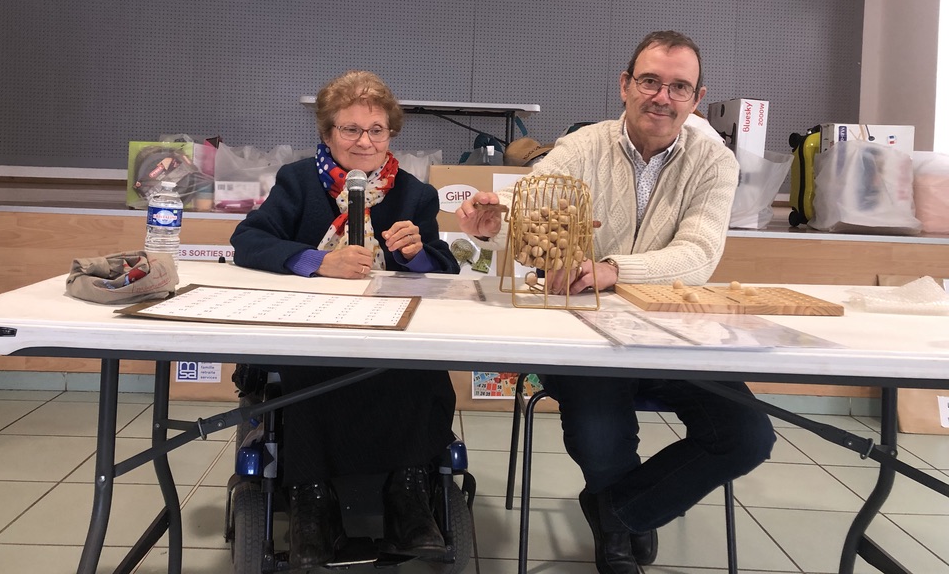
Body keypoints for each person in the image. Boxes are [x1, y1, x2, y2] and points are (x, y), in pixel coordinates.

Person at [456, 30, 776, 574]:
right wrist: (493, 220)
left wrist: (612, 270)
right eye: (650, 81)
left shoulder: (713, 161)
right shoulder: (584, 146)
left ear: (697, 98)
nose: (662, 97)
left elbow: (700, 254)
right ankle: (625, 525)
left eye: (679, 87)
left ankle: (619, 514)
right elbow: (535, 199)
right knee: (600, 436)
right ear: (625, 85)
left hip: (674, 336)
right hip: (584, 334)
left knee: (746, 435)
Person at [231, 70, 460, 568]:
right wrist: (316, 262)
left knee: (418, 366)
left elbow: (443, 266)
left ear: (391, 134)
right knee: (311, 367)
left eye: (376, 130)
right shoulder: (298, 182)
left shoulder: (415, 194)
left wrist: (416, 254)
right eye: (350, 129)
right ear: (328, 133)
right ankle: (312, 501)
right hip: (314, 325)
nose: (364, 141)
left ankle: (407, 493)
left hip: (387, 325)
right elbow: (248, 240)